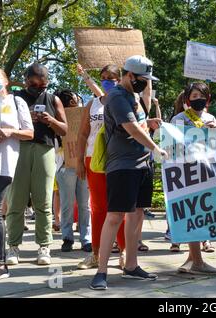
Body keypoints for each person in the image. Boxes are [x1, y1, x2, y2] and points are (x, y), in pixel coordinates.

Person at [90, 55, 167, 290]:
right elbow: (130, 128)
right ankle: (101, 271)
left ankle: (131, 266)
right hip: (123, 165)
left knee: (137, 214)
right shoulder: (116, 96)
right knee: (115, 216)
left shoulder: (133, 96)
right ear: (129, 76)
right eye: (142, 79)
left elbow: (139, 124)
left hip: (143, 164)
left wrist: (150, 123)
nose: (145, 83)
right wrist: (155, 147)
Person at [5, 63, 67, 266]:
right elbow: (3, 124)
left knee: (44, 201)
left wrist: (50, 121)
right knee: (16, 200)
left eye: (43, 85)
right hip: (19, 149)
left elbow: (65, 130)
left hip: (45, 149)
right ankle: (13, 246)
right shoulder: (14, 99)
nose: (39, 88)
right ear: (26, 80)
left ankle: (44, 246)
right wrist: (24, 120)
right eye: (34, 83)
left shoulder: (53, 98)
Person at [0, 67, 34, 282]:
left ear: (6, 81)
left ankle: (0, 264)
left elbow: (29, 133)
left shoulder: (16, 102)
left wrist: (10, 132)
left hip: (2, 164)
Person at [76, 64, 127, 269]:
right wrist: (79, 160)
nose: (108, 81)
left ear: (120, 80)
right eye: (104, 77)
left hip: (118, 160)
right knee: (98, 208)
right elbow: (81, 134)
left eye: (112, 78)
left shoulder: (125, 101)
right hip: (93, 160)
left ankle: (124, 252)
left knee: (120, 207)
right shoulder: (93, 104)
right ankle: (96, 254)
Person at [170, 82, 216, 275]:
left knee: (201, 213)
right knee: (193, 214)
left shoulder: (211, 117)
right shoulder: (179, 118)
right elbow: (173, 145)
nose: (197, 99)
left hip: (205, 170)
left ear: (207, 99)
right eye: (193, 96)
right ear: (187, 99)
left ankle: (191, 259)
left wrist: (215, 132)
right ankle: (198, 262)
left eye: (201, 96)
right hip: (185, 171)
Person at [54, 89, 92, 253]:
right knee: (67, 204)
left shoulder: (84, 115)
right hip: (65, 166)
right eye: (76, 98)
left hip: (82, 164)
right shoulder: (57, 119)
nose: (78, 100)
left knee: (85, 204)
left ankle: (86, 238)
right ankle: (67, 237)